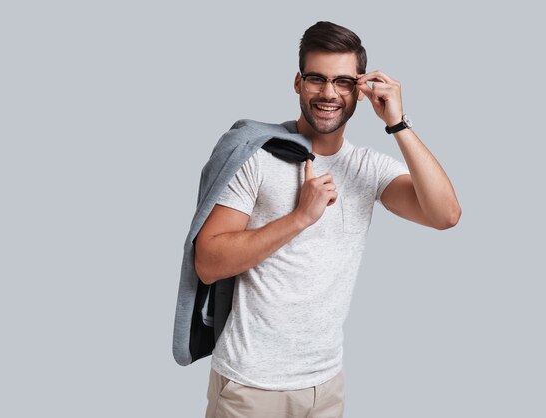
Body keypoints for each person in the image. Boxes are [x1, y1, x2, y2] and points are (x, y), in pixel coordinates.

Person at [195, 21, 461, 418]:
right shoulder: (258, 156)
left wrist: (398, 123)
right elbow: (207, 263)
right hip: (251, 387)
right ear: (298, 83)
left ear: (359, 89)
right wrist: (299, 218)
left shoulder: (367, 167)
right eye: (316, 79)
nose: (328, 93)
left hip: (325, 387)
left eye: (342, 81)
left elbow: (446, 215)